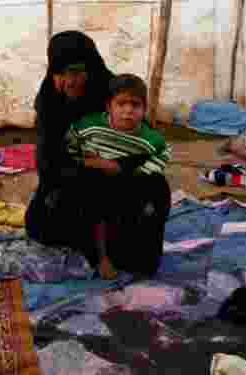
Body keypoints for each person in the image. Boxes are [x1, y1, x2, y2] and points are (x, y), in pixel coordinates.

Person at [25, 30, 169, 276]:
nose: (68, 82)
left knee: (153, 200)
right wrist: (87, 168)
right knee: (40, 225)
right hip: (78, 179)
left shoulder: (116, 94)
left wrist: (115, 167)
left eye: (76, 72)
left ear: (90, 69)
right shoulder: (50, 101)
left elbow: (147, 145)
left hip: (124, 178)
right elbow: (49, 161)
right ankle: (95, 243)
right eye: (60, 73)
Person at [66, 74, 172, 278]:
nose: (128, 110)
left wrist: (141, 174)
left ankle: (134, 250)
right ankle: (101, 257)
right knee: (92, 201)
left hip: (128, 184)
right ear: (109, 106)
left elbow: (164, 153)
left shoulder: (149, 139)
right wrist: (83, 160)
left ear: (144, 109)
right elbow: (70, 144)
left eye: (135, 104)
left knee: (157, 191)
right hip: (94, 185)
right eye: (121, 103)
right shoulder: (91, 126)